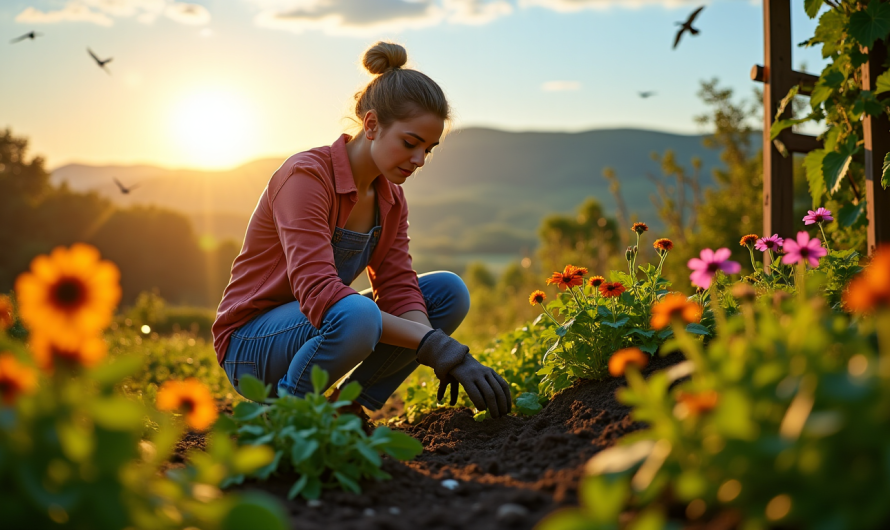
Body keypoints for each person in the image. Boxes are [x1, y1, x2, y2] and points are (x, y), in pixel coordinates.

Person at [211, 41, 512, 423]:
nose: (419, 160)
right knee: (358, 313)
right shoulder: (306, 177)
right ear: (371, 125)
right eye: (410, 143)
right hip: (252, 344)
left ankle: (347, 409)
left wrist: (440, 348)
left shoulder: (392, 199)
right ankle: (288, 417)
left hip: (321, 325)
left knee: (446, 292)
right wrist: (433, 345)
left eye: (429, 149)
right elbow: (318, 291)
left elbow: (400, 287)